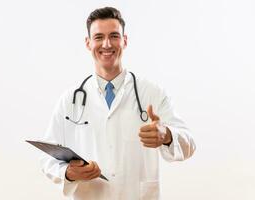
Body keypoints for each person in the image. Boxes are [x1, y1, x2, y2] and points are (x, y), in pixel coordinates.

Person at [40, 6, 196, 200]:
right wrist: (68, 173)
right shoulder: (69, 100)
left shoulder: (152, 93)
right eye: (98, 37)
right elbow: (47, 158)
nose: (107, 44)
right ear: (88, 43)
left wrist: (167, 135)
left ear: (125, 40)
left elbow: (190, 144)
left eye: (114, 36)